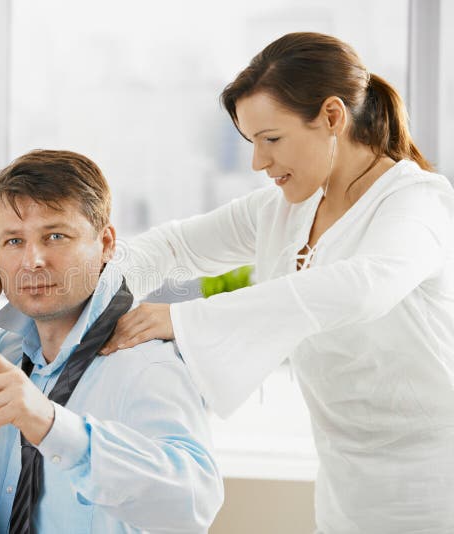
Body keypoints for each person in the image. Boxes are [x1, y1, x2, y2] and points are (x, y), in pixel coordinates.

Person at [100, 32, 454, 533]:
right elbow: (175, 247)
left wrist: (184, 319)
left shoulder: (416, 203)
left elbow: (362, 288)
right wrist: (63, 281)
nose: (258, 162)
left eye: (272, 139)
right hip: (344, 489)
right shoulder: (286, 210)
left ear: (332, 116)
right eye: (251, 143)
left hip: (436, 490)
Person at [0, 150, 223, 533]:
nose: (33, 260)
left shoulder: (145, 363)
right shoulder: (6, 356)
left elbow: (193, 505)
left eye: (55, 236)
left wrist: (54, 427)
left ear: (106, 243)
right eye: (13, 241)